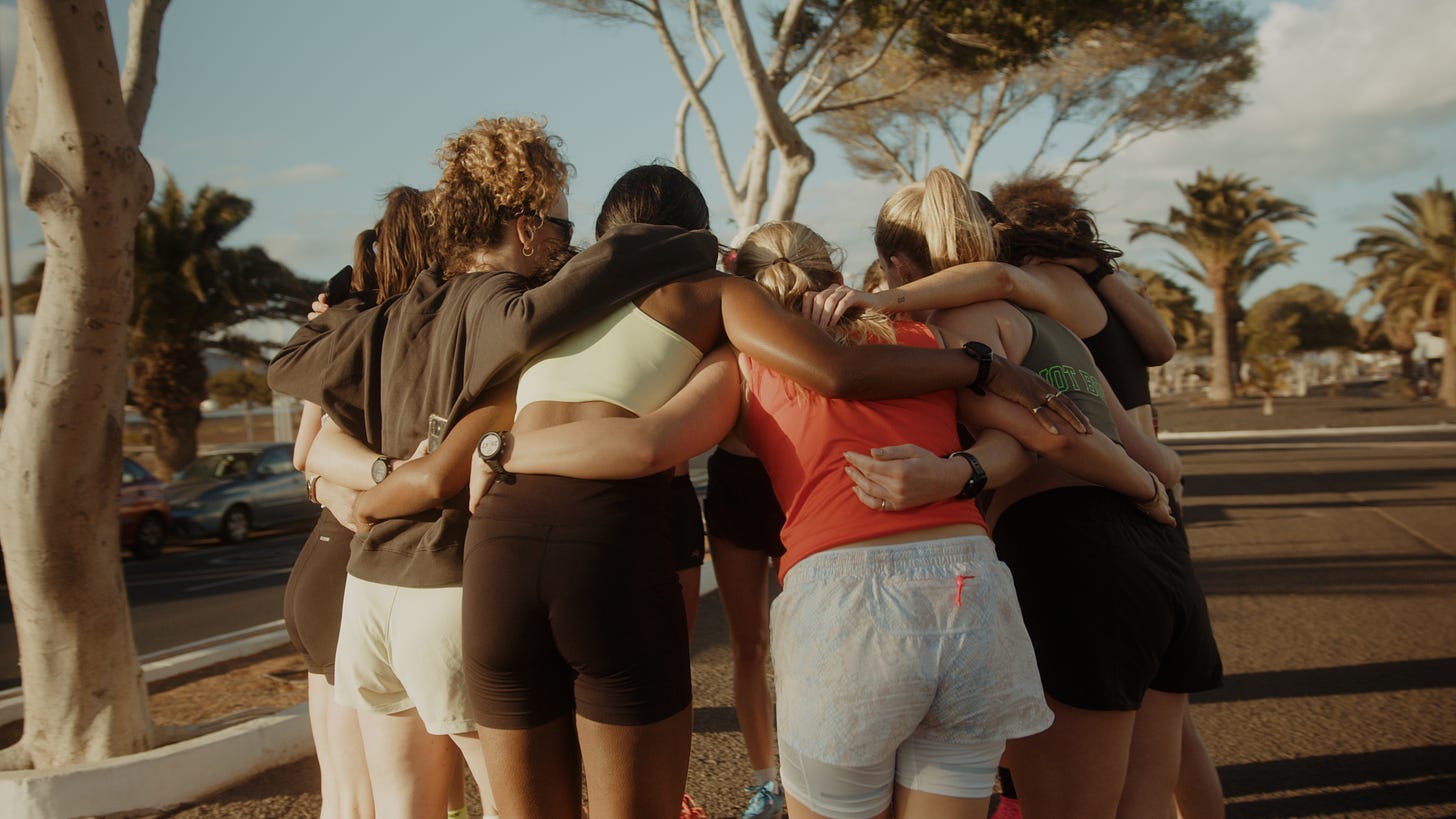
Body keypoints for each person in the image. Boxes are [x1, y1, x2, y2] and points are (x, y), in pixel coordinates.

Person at [465, 218, 1173, 819]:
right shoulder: (920, 340)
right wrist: (980, 473)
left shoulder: (742, 364)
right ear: (830, 269)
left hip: (851, 605)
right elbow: (1041, 435)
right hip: (972, 595)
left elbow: (643, 445)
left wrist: (502, 448)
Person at [269, 117, 712, 818]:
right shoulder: (498, 304)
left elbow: (289, 364)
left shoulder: (395, 311)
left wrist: (336, 310)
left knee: (401, 805)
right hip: (444, 582)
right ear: (528, 225)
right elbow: (554, 310)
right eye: (563, 231)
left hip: (370, 592)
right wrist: (690, 246)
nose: (569, 249)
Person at [826, 168, 1222, 819]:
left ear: (897, 265)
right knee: (1146, 799)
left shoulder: (954, 328)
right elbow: (1152, 455)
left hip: (1066, 556)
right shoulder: (1053, 323)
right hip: (1159, 559)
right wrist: (1149, 488)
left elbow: (1051, 435)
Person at [283, 184, 436, 819]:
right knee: (369, 802)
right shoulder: (416, 337)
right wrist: (394, 477)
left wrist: (339, 484)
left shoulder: (344, 324)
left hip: (320, 569)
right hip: (357, 573)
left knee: (344, 800)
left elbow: (304, 453)